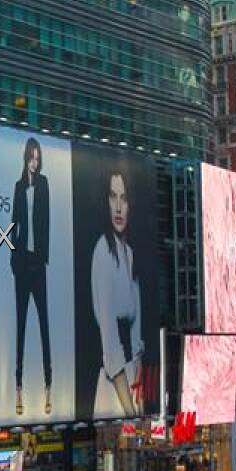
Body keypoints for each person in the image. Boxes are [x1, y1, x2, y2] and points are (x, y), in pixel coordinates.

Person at [90, 165, 144, 417]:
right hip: (114, 390)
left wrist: (141, 405)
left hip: (133, 386)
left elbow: (137, 340)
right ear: (105, 201)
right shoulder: (102, 251)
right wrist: (133, 413)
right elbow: (110, 342)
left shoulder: (131, 254)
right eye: (113, 197)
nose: (119, 207)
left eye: (124, 198)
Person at [10, 159, 51, 420]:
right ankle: (18, 387)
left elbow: (46, 221)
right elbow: (14, 223)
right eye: (31, 158)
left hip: (38, 263)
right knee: (21, 326)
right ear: (26, 158)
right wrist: (13, 258)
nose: (34, 163)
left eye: (38, 158)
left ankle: (49, 385)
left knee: (44, 325)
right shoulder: (18, 186)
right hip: (22, 262)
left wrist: (44, 256)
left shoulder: (44, 184)